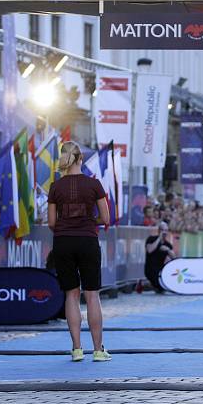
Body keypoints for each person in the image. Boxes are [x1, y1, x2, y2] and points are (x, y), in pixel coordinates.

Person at [48, 141, 112, 363]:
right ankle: (97, 350)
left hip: (63, 241)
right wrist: (88, 221)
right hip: (87, 239)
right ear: (81, 159)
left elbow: (51, 222)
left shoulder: (56, 187)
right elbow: (106, 219)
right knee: (92, 294)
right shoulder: (93, 184)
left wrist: (68, 224)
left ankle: (76, 349)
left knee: (71, 295)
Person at [144, 220, 175, 293]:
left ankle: (148, 285)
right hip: (150, 268)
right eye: (162, 230)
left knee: (162, 288)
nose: (164, 232)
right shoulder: (151, 239)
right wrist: (159, 239)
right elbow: (149, 250)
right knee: (160, 287)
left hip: (160, 270)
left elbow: (174, 258)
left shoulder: (168, 244)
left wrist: (168, 250)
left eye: (166, 230)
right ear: (159, 231)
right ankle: (146, 285)